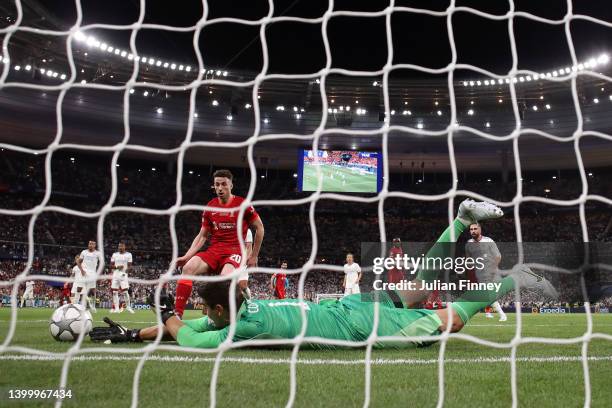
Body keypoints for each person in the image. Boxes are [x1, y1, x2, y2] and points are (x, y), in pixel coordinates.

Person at [90, 200, 558, 349]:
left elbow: (187, 337)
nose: (199, 312)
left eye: (203, 307)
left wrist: (167, 317)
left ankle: (513, 279)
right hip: (345, 308)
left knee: (447, 321)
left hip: (358, 326)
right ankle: (458, 220)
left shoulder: (244, 326)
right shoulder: (238, 312)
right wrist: (135, 333)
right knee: (417, 286)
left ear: (217, 310)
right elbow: (194, 327)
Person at [173, 169, 264, 317]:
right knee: (188, 268)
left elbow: (260, 228)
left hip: (235, 250)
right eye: (217, 185)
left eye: (224, 184)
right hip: (214, 250)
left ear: (231, 185)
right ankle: (177, 315)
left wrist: (254, 256)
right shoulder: (210, 206)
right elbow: (202, 235)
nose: (220, 188)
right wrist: (187, 256)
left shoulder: (243, 204)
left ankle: (225, 317)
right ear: (213, 186)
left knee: (223, 282)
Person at [465, 222, 507, 321]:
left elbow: (498, 256)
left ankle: (499, 314)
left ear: (480, 230)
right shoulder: (468, 244)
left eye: (475, 229)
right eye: (471, 229)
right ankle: (496, 314)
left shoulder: (488, 241)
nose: (473, 231)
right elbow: (468, 259)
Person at [77, 240, 103, 312]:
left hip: (92, 273)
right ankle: (76, 304)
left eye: (92, 244)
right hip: (84, 272)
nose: (90, 245)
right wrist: (82, 270)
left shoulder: (98, 253)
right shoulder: (84, 252)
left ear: (95, 245)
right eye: (89, 244)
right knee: (79, 288)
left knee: (93, 290)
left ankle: (93, 306)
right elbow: (78, 262)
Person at [110, 242, 134, 314]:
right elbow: (111, 265)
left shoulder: (129, 254)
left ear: (124, 247)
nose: (120, 247)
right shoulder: (114, 254)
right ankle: (117, 308)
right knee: (114, 292)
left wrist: (125, 272)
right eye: (119, 246)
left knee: (125, 291)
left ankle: (128, 307)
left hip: (123, 275)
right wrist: (117, 267)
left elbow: (130, 266)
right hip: (115, 274)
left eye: (122, 246)